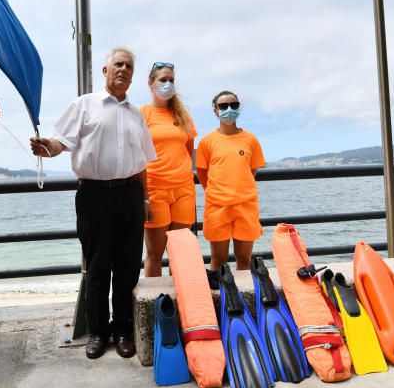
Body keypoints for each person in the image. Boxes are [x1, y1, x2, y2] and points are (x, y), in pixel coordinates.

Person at [29, 47, 156, 359]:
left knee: (128, 269)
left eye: (129, 66)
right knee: (97, 269)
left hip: (129, 197)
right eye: (118, 64)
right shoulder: (85, 105)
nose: (123, 70)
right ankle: (98, 332)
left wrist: (146, 199)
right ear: (105, 70)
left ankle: (124, 329)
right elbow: (61, 141)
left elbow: (142, 164)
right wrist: (48, 148)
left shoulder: (136, 114)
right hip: (94, 195)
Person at [195, 90, 265, 282]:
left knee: (244, 259)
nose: (229, 110)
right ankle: (218, 298)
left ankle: (242, 300)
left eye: (234, 105)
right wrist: (215, 192)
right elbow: (202, 173)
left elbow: (251, 170)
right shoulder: (207, 142)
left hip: (246, 206)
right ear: (215, 111)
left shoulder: (251, 140)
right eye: (224, 106)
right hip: (217, 207)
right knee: (218, 259)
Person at [139, 62, 197, 278]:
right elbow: (137, 153)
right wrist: (143, 196)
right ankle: (155, 304)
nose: (168, 84)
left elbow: (188, 149)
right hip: (155, 190)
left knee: (180, 253)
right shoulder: (142, 113)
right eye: (163, 80)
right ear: (151, 84)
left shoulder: (182, 115)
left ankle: (180, 300)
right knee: (155, 254)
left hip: (183, 189)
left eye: (171, 80)